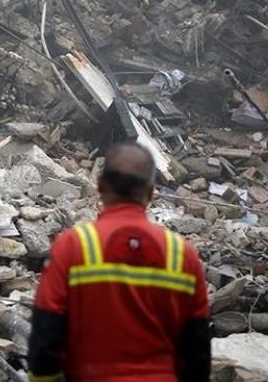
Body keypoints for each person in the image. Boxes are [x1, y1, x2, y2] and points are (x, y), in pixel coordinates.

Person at [28, 141, 210, 382]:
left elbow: (46, 333)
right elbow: (197, 350)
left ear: (100, 185)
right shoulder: (183, 255)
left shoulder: (72, 246)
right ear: (150, 193)